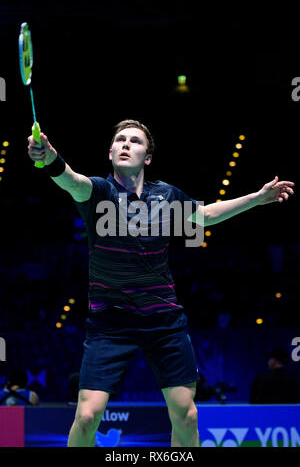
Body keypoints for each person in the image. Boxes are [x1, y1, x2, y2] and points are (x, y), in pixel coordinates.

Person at [27, 119, 294, 447]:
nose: (126, 144)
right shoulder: (98, 193)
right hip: (110, 322)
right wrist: (50, 156)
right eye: (120, 140)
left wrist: (257, 198)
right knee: (86, 416)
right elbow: (71, 180)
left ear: (147, 157)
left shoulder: (166, 196)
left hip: (163, 320)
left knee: (187, 414)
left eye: (135, 141)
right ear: (110, 153)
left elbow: (205, 217)